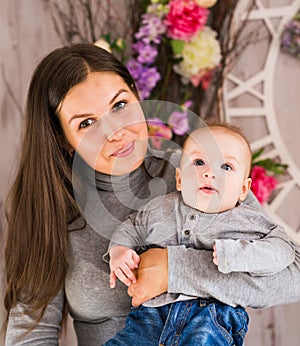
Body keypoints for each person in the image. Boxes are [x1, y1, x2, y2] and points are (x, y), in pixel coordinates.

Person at [2, 43, 300, 346]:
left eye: (120, 106)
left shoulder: (202, 173)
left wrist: (176, 269)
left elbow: (294, 276)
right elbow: (30, 333)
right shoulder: (52, 210)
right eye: (87, 124)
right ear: (63, 140)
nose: (116, 132)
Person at [105, 124, 295, 345]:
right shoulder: (160, 208)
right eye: (198, 162)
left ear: (244, 189)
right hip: (152, 315)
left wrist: (239, 255)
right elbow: (133, 226)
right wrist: (118, 250)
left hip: (212, 317)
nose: (209, 172)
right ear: (178, 179)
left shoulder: (248, 219)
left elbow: (283, 250)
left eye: (226, 166)